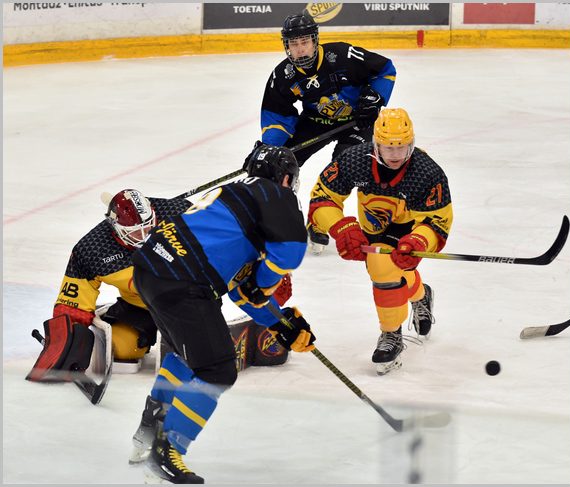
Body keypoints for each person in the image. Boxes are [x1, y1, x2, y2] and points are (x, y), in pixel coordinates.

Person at [130, 145, 316, 484]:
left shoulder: (234, 199)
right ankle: (167, 450)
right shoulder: (275, 195)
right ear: (285, 178)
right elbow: (290, 252)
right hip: (183, 283)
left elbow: (240, 291)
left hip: (151, 272)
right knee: (217, 369)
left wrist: (280, 323)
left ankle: (148, 430)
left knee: (186, 357)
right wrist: (265, 284)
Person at [26, 189, 292, 383]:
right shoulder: (92, 249)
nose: (144, 237)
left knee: (195, 355)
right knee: (122, 350)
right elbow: (72, 302)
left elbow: (226, 248)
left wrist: (265, 280)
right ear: (115, 228)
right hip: (139, 306)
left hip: (188, 301)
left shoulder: (180, 213)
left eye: (148, 227)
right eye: (135, 233)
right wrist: (67, 338)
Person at [308, 108, 453, 375]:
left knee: (383, 268)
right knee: (390, 273)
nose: (395, 155)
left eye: (402, 147)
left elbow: (438, 221)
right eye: (389, 147)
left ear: (411, 144)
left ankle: (391, 335)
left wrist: (419, 241)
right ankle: (421, 295)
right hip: (372, 226)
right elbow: (322, 198)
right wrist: (341, 227)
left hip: (410, 229)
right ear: (376, 144)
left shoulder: (426, 171)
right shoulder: (355, 159)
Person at [246, 12, 397, 253]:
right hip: (315, 121)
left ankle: (318, 218)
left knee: (342, 167)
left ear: (315, 41)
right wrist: (271, 147)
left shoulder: (343, 56)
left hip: (357, 121)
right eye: (294, 44)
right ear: (286, 46)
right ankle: (272, 221)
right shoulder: (283, 75)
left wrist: (374, 97)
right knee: (277, 164)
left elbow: (385, 69)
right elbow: (278, 115)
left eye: (305, 42)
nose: (300, 50)